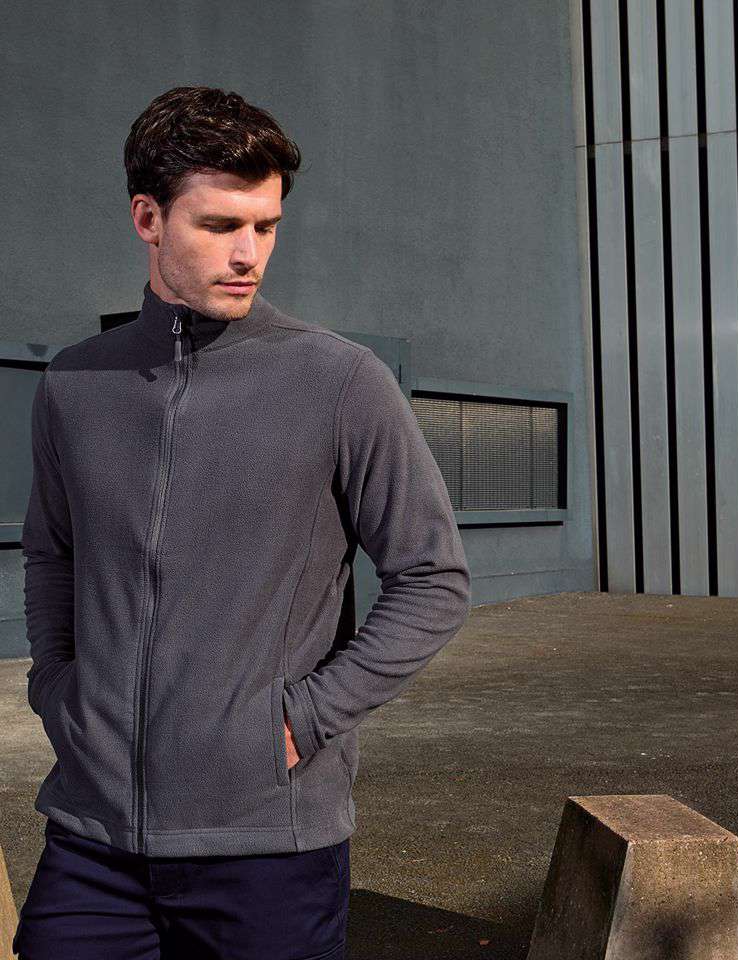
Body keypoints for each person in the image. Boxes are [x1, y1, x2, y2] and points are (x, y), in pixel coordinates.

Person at [12, 85, 471, 959]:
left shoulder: (340, 382)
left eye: (265, 226)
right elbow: (52, 554)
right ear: (148, 218)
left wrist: (299, 721)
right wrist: (59, 690)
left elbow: (433, 579)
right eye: (220, 225)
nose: (247, 253)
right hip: (93, 837)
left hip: (267, 844)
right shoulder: (75, 383)